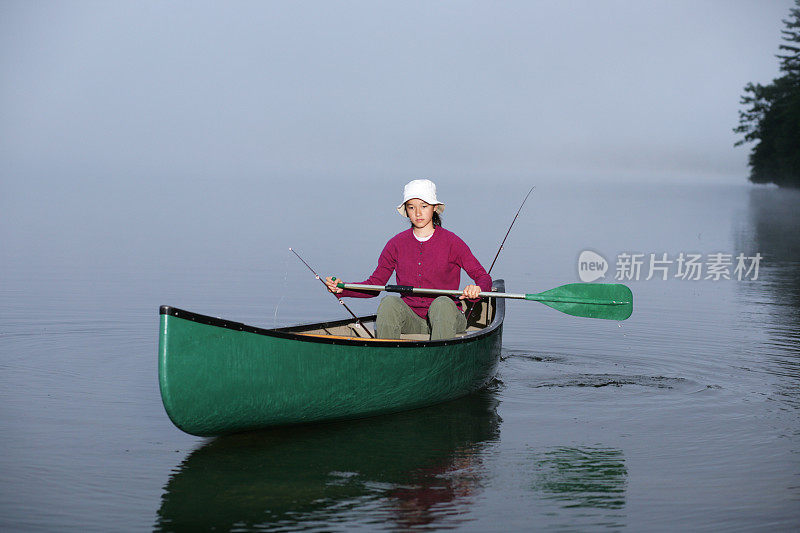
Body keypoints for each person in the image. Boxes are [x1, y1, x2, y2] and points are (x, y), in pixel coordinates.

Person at [325, 179, 492, 340]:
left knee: (441, 303)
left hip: (449, 318)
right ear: (406, 210)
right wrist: (342, 289)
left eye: (424, 206)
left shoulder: (452, 242)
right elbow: (375, 284)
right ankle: (387, 360)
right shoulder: (395, 244)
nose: (418, 213)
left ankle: (439, 361)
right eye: (412, 207)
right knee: (389, 302)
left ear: (434, 208)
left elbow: (484, 277)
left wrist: (476, 289)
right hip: (411, 319)